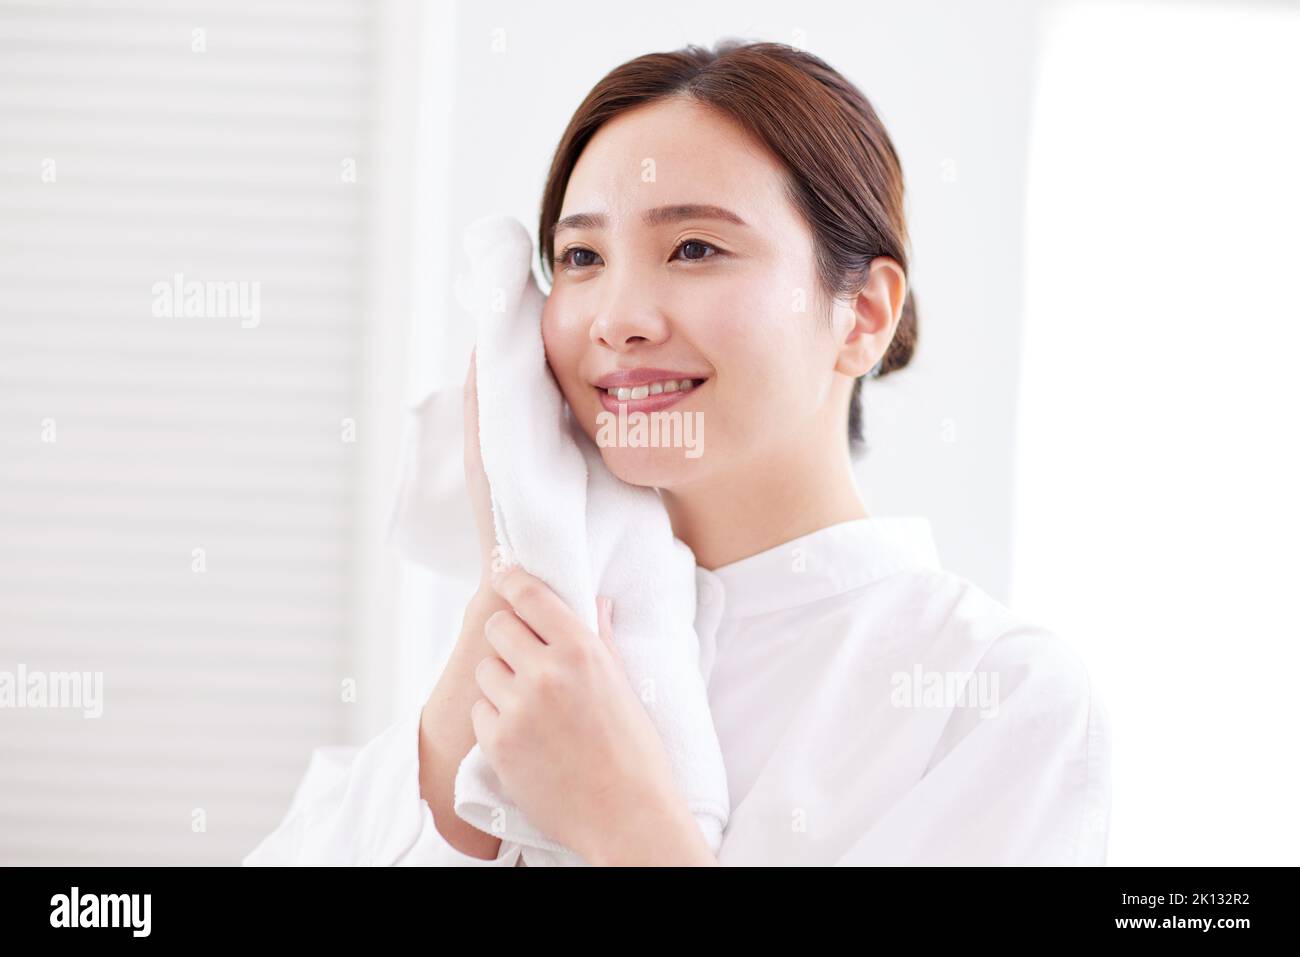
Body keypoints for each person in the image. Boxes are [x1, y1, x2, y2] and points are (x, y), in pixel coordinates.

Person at [243, 39, 1110, 867]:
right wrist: (497, 624)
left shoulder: (999, 694)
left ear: (865, 313)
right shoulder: (530, 637)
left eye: (694, 248)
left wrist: (628, 823)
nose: (618, 316)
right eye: (580, 256)